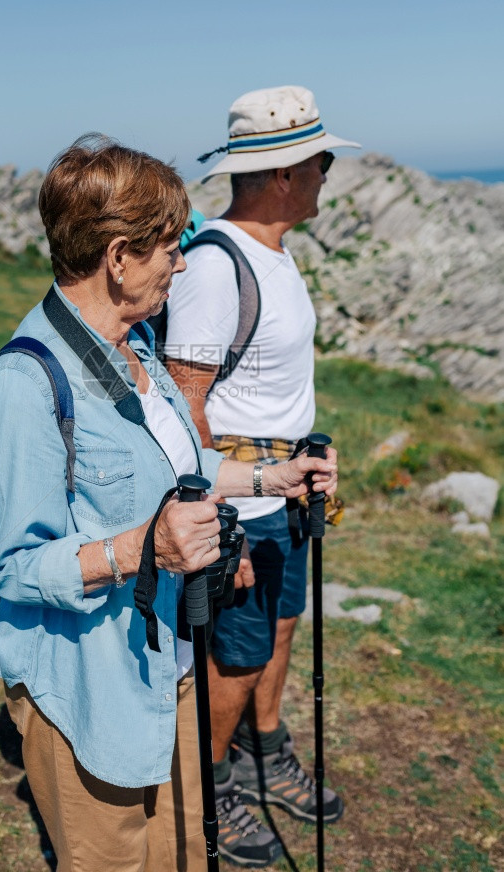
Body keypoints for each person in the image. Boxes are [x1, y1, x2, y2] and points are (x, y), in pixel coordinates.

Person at [0, 134, 339, 872]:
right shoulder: (23, 384)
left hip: (161, 662)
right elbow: (13, 568)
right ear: (119, 257)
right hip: (84, 687)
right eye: (170, 246)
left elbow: (189, 464)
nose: (182, 260)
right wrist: (145, 548)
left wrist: (276, 479)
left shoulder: (134, 352)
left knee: (181, 853)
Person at [164, 86, 359, 867]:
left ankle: (265, 751)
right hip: (246, 494)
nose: (327, 171)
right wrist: (222, 519)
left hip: (288, 486)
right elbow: (185, 404)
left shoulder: (276, 253)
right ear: (282, 173)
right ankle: (212, 781)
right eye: (321, 160)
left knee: (278, 628)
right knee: (236, 652)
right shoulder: (216, 267)